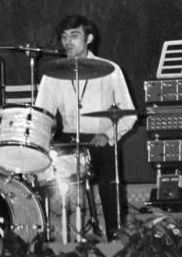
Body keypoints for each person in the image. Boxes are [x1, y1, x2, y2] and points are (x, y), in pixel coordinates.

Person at [33, 14, 136, 240]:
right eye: (64, 36)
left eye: (75, 35)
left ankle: (115, 236)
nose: (68, 41)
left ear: (89, 38)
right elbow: (43, 114)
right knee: (40, 167)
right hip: (68, 139)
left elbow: (129, 115)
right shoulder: (53, 74)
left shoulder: (110, 69)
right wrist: (43, 137)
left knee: (111, 181)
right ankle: (44, 233)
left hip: (101, 138)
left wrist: (109, 134)